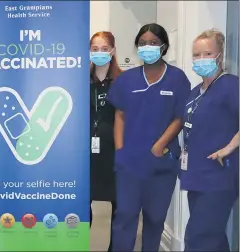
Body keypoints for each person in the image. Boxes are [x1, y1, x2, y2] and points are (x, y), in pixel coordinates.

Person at [106, 23, 191, 251]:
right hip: (129, 163)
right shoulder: (127, 79)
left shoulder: (177, 78)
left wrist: (159, 145)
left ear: (164, 46)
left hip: (161, 162)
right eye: (142, 43)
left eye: (153, 43)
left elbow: (180, 117)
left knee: (155, 219)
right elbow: (120, 116)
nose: (147, 47)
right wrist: (120, 150)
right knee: (125, 216)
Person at [180, 29, 239, 251]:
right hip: (196, 175)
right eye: (196, 55)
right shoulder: (196, 91)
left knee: (198, 238)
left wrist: (229, 147)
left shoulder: (231, 85)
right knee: (213, 238)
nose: (201, 59)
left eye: (207, 53)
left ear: (220, 56)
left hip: (218, 177)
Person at [89, 31, 122, 252]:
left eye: (104, 48)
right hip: (86, 154)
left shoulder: (123, 81)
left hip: (115, 151)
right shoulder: (80, 80)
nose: (99, 53)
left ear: (112, 51)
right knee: (82, 204)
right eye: (94, 49)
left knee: (119, 207)